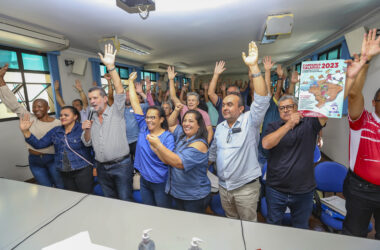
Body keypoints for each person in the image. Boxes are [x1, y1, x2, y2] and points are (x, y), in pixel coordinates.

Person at [262, 47, 368, 229]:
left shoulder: (310, 123)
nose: (286, 110)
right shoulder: (273, 126)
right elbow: (266, 144)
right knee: (273, 225)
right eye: (282, 108)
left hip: (303, 191)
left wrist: (349, 78)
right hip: (276, 189)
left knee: (301, 226)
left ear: (298, 108)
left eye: (290, 107)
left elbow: (330, 103)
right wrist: (288, 125)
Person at [209, 42, 270, 221]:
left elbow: (262, 100)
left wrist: (254, 67)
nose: (225, 108)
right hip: (224, 187)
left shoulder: (250, 121)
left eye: (230, 104)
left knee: (248, 228)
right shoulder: (219, 128)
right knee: (231, 223)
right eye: (224, 104)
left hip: (245, 188)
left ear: (241, 108)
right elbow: (213, 152)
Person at [81, 44, 133, 201]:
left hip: (121, 166)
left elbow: (119, 91)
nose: (92, 101)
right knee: (109, 200)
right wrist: (87, 128)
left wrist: (111, 67)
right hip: (101, 167)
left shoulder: (116, 111)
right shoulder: (92, 117)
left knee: (125, 200)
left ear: (104, 99)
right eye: (90, 99)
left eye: (96, 98)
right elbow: (87, 143)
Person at [0, 64, 63, 188]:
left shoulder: (58, 123)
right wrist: (1, 80)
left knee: (61, 187)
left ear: (48, 108)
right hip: (34, 160)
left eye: (40, 106)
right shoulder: (30, 118)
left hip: (52, 159)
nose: (36, 109)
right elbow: (13, 103)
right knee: (45, 188)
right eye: (34, 106)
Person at [343, 29, 380, 239]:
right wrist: (365, 61)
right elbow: (354, 94)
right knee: (354, 235)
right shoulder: (363, 120)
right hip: (360, 190)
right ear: (374, 103)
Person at [149, 103, 211, 213]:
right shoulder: (183, 135)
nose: (186, 124)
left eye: (191, 121)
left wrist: (159, 146)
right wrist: (177, 110)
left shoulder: (199, 144)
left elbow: (179, 163)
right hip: (178, 193)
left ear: (199, 125)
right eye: (184, 120)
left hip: (193, 197)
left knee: (193, 227)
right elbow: (171, 124)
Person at [20, 106, 93, 193]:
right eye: (61, 115)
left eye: (66, 115)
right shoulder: (55, 131)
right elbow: (39, 144)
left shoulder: (82, 128)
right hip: (64, 171)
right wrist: (26, 131)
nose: (62, 117)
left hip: (82, 169)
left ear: (75, 117)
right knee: (72, 195)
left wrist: (95, 167)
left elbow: (93, 147)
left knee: (86, 195)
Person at [128, 71, 175, 208]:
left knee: (162, 213)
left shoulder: (167, 137)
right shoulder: (143, 128)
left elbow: (169, 160)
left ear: (161, 120)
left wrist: (158, 145)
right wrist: (130, 83)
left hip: (160, 182)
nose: (148, 120)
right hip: (144, 180)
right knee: (148, 210)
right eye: (147, 117)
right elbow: (134, 103)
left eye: (153, 117)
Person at [168, 66, 214, 144]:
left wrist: (206, 145)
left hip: (198, 140)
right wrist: (171, 80)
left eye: (193, 100)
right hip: (184, 139)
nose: (190, 102)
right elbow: (173, 96)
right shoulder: (183, 108)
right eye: (189, 100)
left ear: (198, 103)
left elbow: (210, 131)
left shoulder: (204, 114)